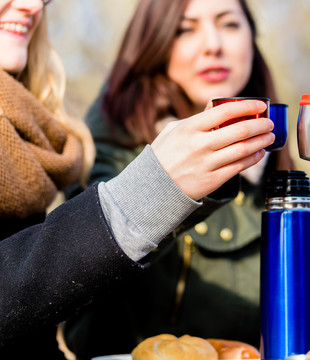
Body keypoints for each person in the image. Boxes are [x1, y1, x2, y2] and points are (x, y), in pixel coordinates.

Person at [0, 0, 275, 358]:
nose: (213, 44)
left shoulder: (272, 160)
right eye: (184, 28)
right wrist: (157, 191)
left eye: (230, 25)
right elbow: (81, 320)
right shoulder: (109, 144)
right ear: (153, 43)